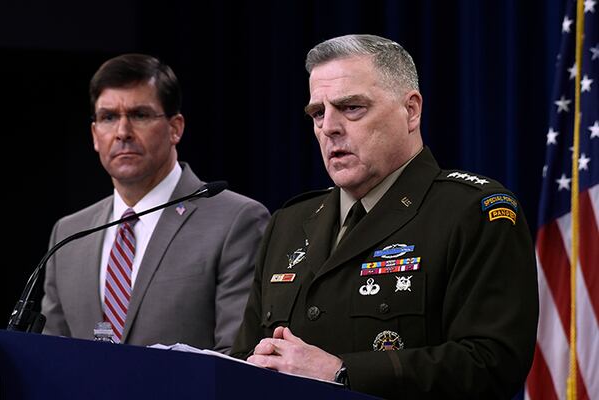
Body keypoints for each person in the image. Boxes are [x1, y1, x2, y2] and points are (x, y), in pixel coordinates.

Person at [231, 34, 538, 398]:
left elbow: (492, 363)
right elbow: (245, 355)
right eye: (318, 113)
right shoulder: (290, 222)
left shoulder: (474, 211)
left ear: (411, 110)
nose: (328, 127)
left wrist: (340, 372)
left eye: (351, 108)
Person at [41, 53, 270, 353]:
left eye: (140, 115)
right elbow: (49, 356)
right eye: (109, 117)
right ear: (95, 135)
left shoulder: (237, 221)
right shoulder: (69, 233)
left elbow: (238, 357)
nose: (123, 132)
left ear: (176, 128)